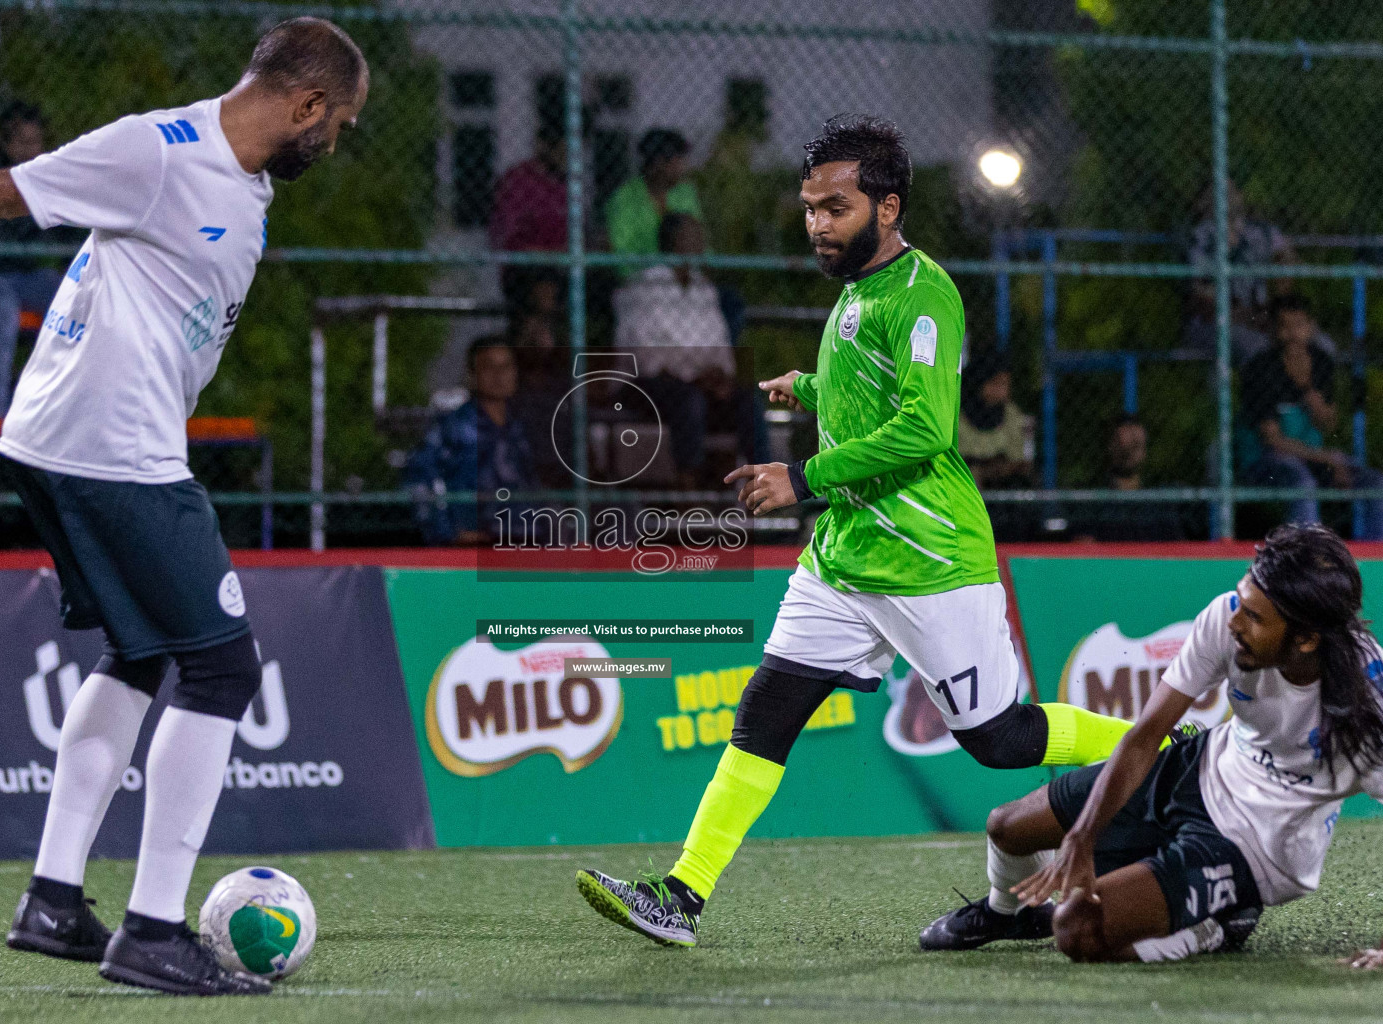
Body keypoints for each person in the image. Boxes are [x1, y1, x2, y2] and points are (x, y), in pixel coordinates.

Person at [0, 16, 368, 995]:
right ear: (305, 104)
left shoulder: (242, 183)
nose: (332, 141)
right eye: (335, 122)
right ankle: (155, 930)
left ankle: (52, 901)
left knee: (140, 654)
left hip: (74, 439)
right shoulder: (157, 150)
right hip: (107, 442)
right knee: (220, 666)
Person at [575, 115, 1147, 949]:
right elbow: (872, 393)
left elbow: (924, 430)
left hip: (927, 559)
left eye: (834, 208)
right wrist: (810, 388)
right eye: (809, 208)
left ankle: (1170, 746)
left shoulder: (924, 293)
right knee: (764, 713)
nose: (816, 224)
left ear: (887, 207)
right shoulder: (856, 295)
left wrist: (802, 476)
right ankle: (681, 896)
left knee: (1002, 740)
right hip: (845, 557)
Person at [921, 524, 1383, 968]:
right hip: (1201, 768)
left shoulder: (1365, 710)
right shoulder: (1229, 617)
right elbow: (1143, 737)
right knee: (1006, 827)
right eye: (1241, 603)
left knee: (1076, 931)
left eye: (1254, 617)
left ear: (1305, 638)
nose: (1235, 621)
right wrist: (1082, 837)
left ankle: (1219, 925)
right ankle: (1009, 914)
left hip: (1258, 846)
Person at [1238, 294, 1383, 539]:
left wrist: (1307, 388)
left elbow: (1329, 423)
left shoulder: (1321, 362)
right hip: (1267, 462)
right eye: (1285, 326)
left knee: (1374, 483)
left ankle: (1374, 560)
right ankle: (1306, 559)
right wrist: (1327, 458)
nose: (1293, 334)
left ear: (1310, 327)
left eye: (1300, 326)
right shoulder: (1260, 369)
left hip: (1314, 459)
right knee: (1302, 482)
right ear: (1273, 330)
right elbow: (1273, 441)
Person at [0, 102, 70, 418]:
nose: (29, 149)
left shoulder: (49, 174)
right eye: (21, 141)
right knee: (2, 309)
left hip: (29, 276)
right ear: (5, 141)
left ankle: (62, 406)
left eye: (35, 141)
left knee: (73, 299)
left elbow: (69, 233)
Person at [613, 212, 737, 486]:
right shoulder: (645, 286)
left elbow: (720, 346)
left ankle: (754, 495)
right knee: (688, 400)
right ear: (673, 242)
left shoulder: (703, 288)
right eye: (692, 238)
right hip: (645, 383)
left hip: (698, 382)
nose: (700, 245)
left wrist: (720, 374)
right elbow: (647, 356)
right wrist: (694, 375)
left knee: (745, 399)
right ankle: (687, 492)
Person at [404, 336, 537, 545]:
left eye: (506, 366)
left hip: (524, 541)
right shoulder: (453, 427)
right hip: (473, 545)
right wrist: (449, 533)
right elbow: (419, 479)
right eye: (488, 367)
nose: (499, 375)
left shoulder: (525, 428)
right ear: (472, 375)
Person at [1185, 180, 1296, 366]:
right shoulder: (1201, 235)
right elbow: (1203, 298)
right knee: (1259, 346)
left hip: (1260, 315)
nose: (1226, 196)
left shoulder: (1261, 230)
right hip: (1215, 323)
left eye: (1231, 189)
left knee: (1319, 345)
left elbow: (1287, 257)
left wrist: (1278, 307)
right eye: (1217, 190)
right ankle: (1258, 396)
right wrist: (1249, 318)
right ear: (1204, 201)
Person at [489, 125, 567, 327]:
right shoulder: (518, 181)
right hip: (524, 267)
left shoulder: (566, 184)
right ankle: (536, 337)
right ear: (545, 146)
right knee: (544, 286)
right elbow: (509, 239)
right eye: (564, 147)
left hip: (562, 266)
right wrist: (547, 255)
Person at [1063, 415, 1188, 542]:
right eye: (1123, 446)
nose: (1129, 452)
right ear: (1110, 446)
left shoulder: (1158, 505)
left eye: (1136, 445)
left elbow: (1177, 548)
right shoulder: (1093, 503)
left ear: (1144, 451)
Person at [605, 128, 704, 258]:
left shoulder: (685, 192)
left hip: (684, 271)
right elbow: (621, 249)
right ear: (658, 162)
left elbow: (698, 239)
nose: (683, 166)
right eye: (678, 160)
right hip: (642, 273)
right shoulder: (624, 197)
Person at [958, 348, 1033, 489]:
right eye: (997, 383)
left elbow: (1019, 462)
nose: (1003, 391)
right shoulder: (957, 415)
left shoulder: (1012, 414)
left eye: (1006, 384)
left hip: (1000, 490)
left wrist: (995, 470)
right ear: (980, 383)